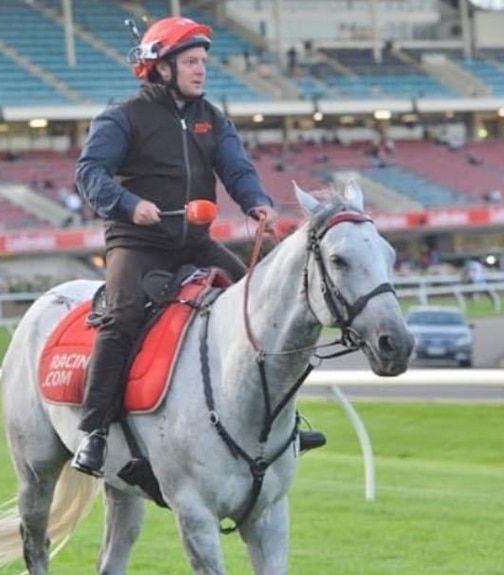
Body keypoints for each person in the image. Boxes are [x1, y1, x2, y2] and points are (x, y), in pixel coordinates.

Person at [71, 15, 325, 478]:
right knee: (123, 316)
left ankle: (284, 422)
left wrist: (258, 204)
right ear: (161, 67)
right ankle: (94, 431)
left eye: (203, 61)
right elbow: (89, 174)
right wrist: (130, 204)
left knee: (264, 307)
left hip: (195, 244)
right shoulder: (121, 117)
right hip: (137, 241)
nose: (200, 69)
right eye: (190, 61)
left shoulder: (213, 118)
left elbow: (237, 169)